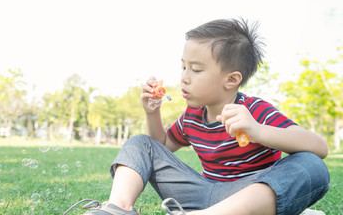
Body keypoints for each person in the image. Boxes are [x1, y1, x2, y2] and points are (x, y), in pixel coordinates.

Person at [65, 19, 330, 215]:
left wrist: (258, 130)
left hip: (247, 197)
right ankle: (118, 208)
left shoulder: (254, 111)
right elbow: (160, 146)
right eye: (182, 66)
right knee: (140, 143)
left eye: (196, 69)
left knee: (312, 165)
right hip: (200, 192)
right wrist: (152, 113)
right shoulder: (192, 116)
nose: (184, 77)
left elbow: (319, 147)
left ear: (231, 80)